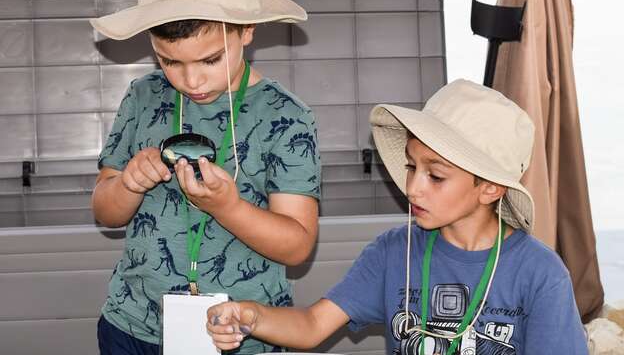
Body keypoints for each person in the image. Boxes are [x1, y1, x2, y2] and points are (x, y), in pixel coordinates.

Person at [206, 79, 589, 355]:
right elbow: (311, 326)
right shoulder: (393, 252)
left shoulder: (540, 273)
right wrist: (252, 315)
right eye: (411, 166)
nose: (413, 188)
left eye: (435, 176)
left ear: (490, 188)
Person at [89, 0, 321, 354]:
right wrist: (127, 184)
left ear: (247, 31)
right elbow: (105, 213)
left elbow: (298, 247)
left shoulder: (287, 118)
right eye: (170, 61)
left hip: (241, 335)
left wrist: (227, 207)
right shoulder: (143, 96)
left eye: (210, 59)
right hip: (131, 326)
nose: (191, 79)